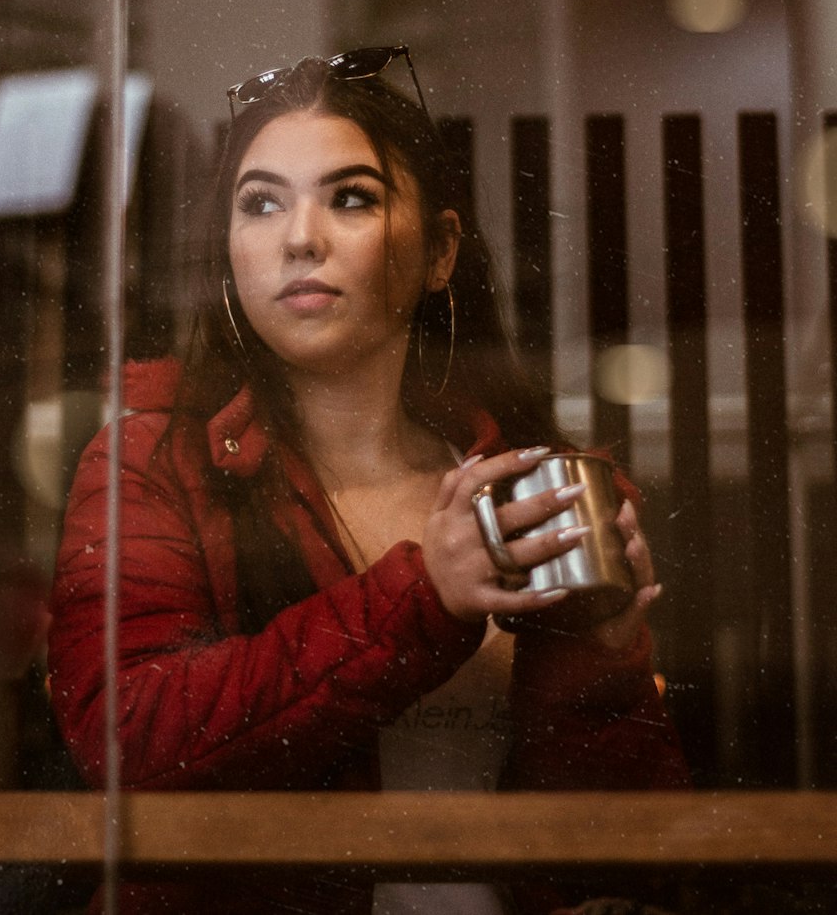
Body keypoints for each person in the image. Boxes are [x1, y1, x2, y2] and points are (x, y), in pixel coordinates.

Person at [48, 47, 688, 915]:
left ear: (440, 249)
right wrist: (425, 594)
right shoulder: (151, 463)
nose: (300, 236)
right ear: (229, 253)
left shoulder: (515, 485)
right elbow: (130, 742)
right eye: (261, 202)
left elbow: (627, 854)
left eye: (351, 197)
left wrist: (603, 648)